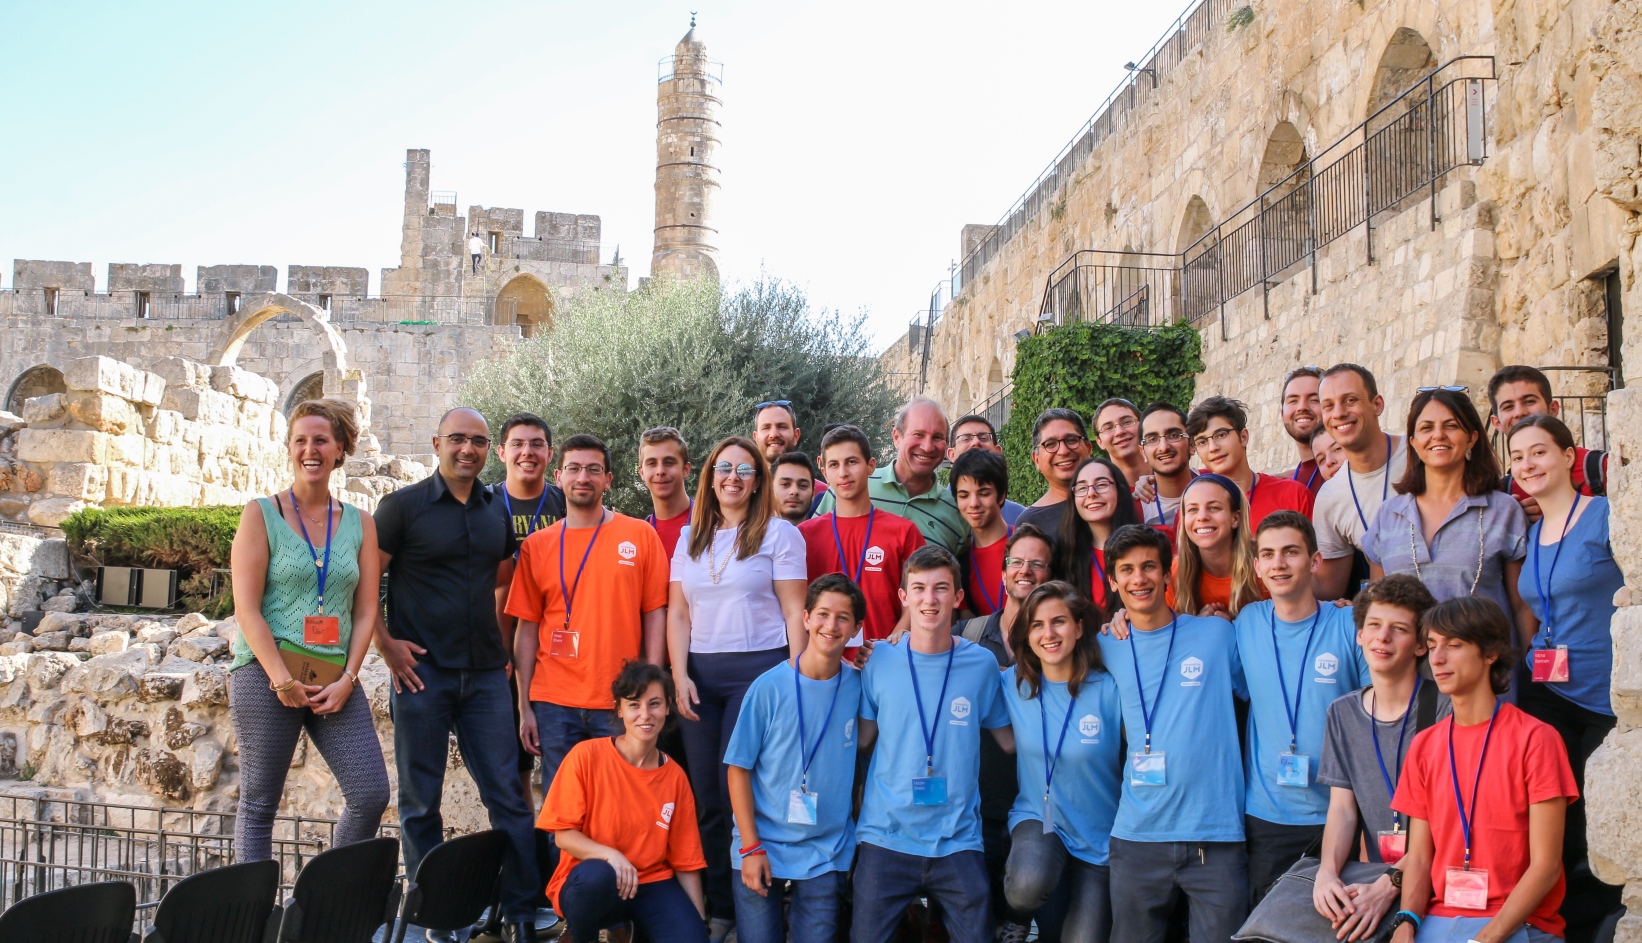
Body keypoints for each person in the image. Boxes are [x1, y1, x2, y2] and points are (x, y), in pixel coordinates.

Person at [374, 407, 540, 943]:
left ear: (489, 449)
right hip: (422, 676)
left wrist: (503, 646)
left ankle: (521, 913)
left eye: (478, 441)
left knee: (509, 798)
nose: (467, 449)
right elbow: (363, 584)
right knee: (421, 802)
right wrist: (386, 646)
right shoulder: (401, 507)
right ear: (436, 443)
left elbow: (503, 580)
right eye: (457, 439)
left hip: (487, 678)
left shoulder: (497, 511)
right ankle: (438, 919)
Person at [228, 399, 389, 863]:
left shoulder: (361, 523)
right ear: (289, 448)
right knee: (260, 804)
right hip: (266, 674)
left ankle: (329, 899)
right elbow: (246, 609)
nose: (310, 450)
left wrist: (349, 679)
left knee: (370, 793)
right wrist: (282, 680)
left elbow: (366, 611)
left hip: (333, 676)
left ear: (340, 449)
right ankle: (251, 906)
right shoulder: (261, 514)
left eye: (321, 440)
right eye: (300, 440)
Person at [669, 437, 809, 940]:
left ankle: (758, 906)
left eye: (744, 470)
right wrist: (679, 674)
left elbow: (794, 610)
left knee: (742, 794)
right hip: (700, 677)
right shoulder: (688, 538)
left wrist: (795, 679)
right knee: (707, 798)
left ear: (757, 481)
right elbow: (678, 613)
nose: (733, 477)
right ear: (709, 477)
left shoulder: (779, 533)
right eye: (724, 468)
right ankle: (722, 907)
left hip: (759, 672)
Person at [1385, 597, 1578, 943]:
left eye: (1453, 645)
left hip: (1518, 924)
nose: (1437, 658)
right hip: (1438, 919)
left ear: (1490, 653)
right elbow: (1419, 857)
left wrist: (1486, 938)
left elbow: (1546, 866)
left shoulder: (1537, 739)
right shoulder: (1424, 745)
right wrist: (1406, 921)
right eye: (1432, 645)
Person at [852, 546, 1016, 943]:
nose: (930, 599)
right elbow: (861, 740)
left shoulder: (981, 664)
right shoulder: (877, 659)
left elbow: (1010, 741)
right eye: (919, 588)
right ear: (903, 596)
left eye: (941, 588)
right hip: (886, 836)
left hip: (957, 838)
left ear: (957, 597)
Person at [1096, 525, 1249, 943]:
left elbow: (1262, 687)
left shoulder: (1216, 635)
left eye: (1149, 567)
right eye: (1126, 570)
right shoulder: (1103, 645)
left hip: (1215, 835)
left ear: (1168, 574)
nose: (1139, 578)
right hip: (1137, 836)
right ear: (1113, 581)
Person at [1509, 414, 1624, 940]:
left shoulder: (1604, 516)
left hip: (1606, 696)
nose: (1527, 464)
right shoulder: (1533, 534)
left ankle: (1603, 917)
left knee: (1602, 813)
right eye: (1517, 457)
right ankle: (1561, 919)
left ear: (1568, 456)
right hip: (1548, 689)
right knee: (1555, 812)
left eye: (1538, 452)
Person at [508, 433, 669, 798]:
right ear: (559, 476)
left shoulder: (640, 536)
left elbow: (655, 614)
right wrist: (524, 706)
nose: (583, 477)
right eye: (574, 468)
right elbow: (527, 629)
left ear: (608, 479)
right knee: (562, 807)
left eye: (594, 470)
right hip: (554, 704)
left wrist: (650, 690)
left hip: (621, 699)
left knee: (622, 803)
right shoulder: (537, 546)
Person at [1234, 512, 1370, 904]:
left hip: (1340, 813)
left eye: (1291, 552)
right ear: (1257, 566)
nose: (1278, 563)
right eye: (1268, 554)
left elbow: (1375, 714)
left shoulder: (1348, 624)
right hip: (1268, 816)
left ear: (1315, 561)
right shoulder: (1247, 622)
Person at [724, 574, 865, 943]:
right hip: (761, 842)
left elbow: (869, 739)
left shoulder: (859, 686)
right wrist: (750, 846)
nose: (830, 626)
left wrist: (880, 658)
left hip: (825, 848)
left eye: (843, 618)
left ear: (856, 629)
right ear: (805, 618)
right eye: (822, 614)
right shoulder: (768, 688)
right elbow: (738, 769)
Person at [1313, 575, 1446, 941]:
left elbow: (1450, 821)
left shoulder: (1445, 708)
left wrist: (1391, 884)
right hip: (1373, 877)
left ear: (1420, 645)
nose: (1382, 637)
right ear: (1359, 635)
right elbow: (1343, 809)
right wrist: (1327, 873)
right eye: (1373, 625)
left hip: (1438, 879)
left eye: (1398, 629)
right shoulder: (1342, 713)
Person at [538, 661, 709, 943]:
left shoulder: (675, 776)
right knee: (597, 875)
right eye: (633, 705)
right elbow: (563, 835)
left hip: (651, 883)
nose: (645, 715)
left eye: (654, 704)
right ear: (619, 709)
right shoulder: (586, 756)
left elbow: (686, 860)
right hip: (594, 883)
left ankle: (632, 928)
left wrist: (698, 923)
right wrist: (611, 855)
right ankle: (582, 936)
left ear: (668, 707)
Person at [999, 582, 1124, 943]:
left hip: (1099, 834)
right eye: (1037, 625)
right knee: (1027, 884)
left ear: (1079, 628)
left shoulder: (1110, 687)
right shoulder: (1012, 685)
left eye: (1059, 622)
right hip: (1040, 818)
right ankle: (1016, 918)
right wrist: (893, 643)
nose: (1049, 634)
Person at [1362, 388, 1532, 644]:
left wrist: (1528, 663)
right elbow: (1378, 605)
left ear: (1472, 438)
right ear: (1413, 441)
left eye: (1451, 426)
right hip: (1408, 664)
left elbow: (1521, 606)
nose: (1438, 435)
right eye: (1426, 428)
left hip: (1484, 663)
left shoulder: (1503, 510)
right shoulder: (1388, 515)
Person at [492, 412, 567, 807]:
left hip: (557, 643)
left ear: (550, 454)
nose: (527, 452)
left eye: (537, 444)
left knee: (565, 754)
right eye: (518, 444)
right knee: (512, 758)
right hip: (502, 645)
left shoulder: (566, 502)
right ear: (501, 452)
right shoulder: (485, 503)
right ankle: (522, 838)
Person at [800, 425, 925, 659]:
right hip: (825, 666)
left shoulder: (903, 532)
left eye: (852, 462)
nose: (843, 473)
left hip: (885, 661)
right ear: (823, 470)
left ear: (871, 465)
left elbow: (918, 598)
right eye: (834, 465)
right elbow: (796, 607)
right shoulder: (804, 536)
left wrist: (890, 649)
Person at [816, 398, 966, 553]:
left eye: (937, 437)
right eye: (918, 434)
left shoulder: (956, 510)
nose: (927, 447)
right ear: (896, 437)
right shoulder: (850, 485)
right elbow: (813, 545)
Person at [1313, 364, 1408, 600]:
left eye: (1350, 400)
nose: (1339, 413)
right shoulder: (1330, 497)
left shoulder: (1420, 454)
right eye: (1328, 406)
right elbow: (1328, 588)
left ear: (1377, 405)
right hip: (1390, 614)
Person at [1488, 366, 1608, 522]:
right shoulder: (1506, 493)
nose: (1519, 412)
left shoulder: (1600, 468)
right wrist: (1516, 522)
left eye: (1529, 401)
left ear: (1553, 409)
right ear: (1496, 422)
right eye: (1508, 406)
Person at [1185, 396, 1314, 529]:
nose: (1213, 448)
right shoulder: (1194, 513)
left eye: (1221, 435)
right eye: (1202, 442)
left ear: (1243, 437)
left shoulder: (1293, 495)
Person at [1170, 474, 1263, 619]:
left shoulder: (1265, 564)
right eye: (1193, 509)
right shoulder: (1174, 572)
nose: (1202, 517)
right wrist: (1196, 625)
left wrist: (1234, 626)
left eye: (1214, 508)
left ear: (1235, 518)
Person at [1053, 457, 1140, 612]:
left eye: (1101, 485)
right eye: (1082, 488)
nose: (1091, 494)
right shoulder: (1065, 558)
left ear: (1120, 491)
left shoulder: (1149, 544)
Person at [951, 448, 1013, 618]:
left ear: (1001, 496)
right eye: (964, 495)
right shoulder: (960, 565)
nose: (973, 503)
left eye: (984, 493)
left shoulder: (1029, 546)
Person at [1016, 408, 1093, 539]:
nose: (1063, 451)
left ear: (1088, 448)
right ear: (1036, 460)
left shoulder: (1113, 500)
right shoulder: (1030, 523)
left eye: (1071, 440)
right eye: (1050, 444)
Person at [948, 413, 1027, 524]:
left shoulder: (1020, 517)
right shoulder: (935, 512)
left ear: (997, 451)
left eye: (983, 438)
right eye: (965, 439)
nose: (976, 442)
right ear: (951, 454)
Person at [1138, 402, 1196, 529]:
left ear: (1191, 443)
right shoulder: (1136, 510)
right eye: (1152, 439)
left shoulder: (1218, 486)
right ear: (1143, 452)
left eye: (1174, 435)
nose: (1163, 447)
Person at [640, 426, 694, 560]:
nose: (660, 471)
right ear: (642, 473)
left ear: (686, 469)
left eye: (669, 462)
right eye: (652, 463)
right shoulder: (639, 536)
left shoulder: (712, 524)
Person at [1280, 367, 1327, 495]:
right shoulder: (1282, 485)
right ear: (1282, 414)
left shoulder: (1348, 468)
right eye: (1293, 401)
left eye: (1314, 400)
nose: (1302, 407)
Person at [1094, 398, 1150, 493]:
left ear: (1142, 426)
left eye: (1127, 422)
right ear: (1099, 442)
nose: (1119, 432)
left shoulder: (1172, 476)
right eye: (1108, 428)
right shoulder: (1101, 494)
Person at [771, 451, 818, 526]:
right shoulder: (754, 532)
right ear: (770, 491)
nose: (794, 491)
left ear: (813, 493)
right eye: (785, 484)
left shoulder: (828, 533)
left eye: (803, 485)